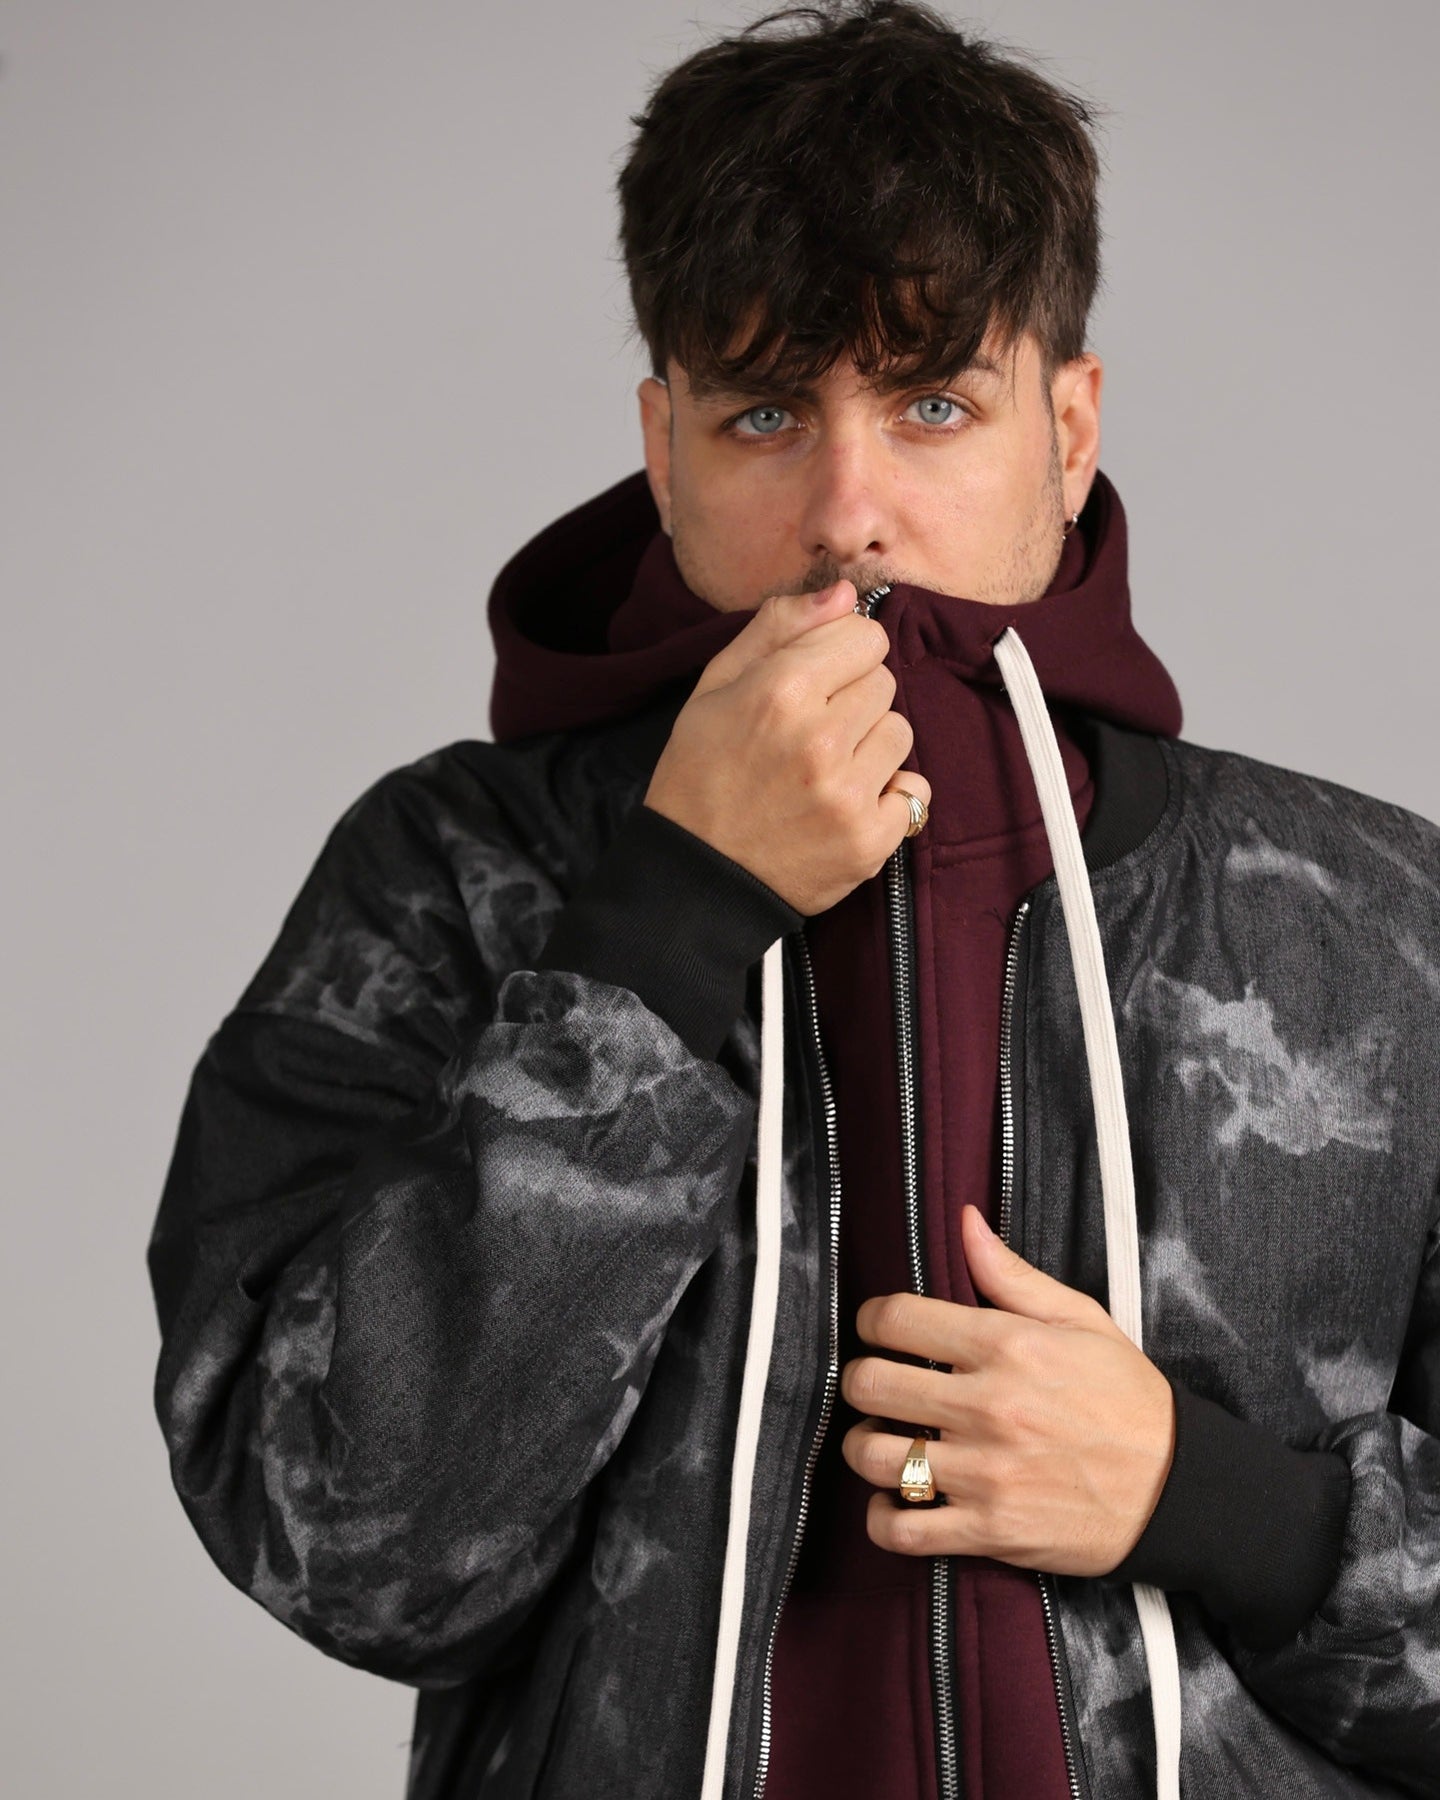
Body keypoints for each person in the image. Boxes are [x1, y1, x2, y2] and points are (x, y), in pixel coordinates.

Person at [145, 4, 1440, 1798]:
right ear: (663, 448)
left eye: (934, 406)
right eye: (766, 413)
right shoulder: (450, 875)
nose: (849, 513)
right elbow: (344, 1548)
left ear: (1068, 430)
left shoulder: (1374, 921)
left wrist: (1204, 1498)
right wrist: (670, 922)